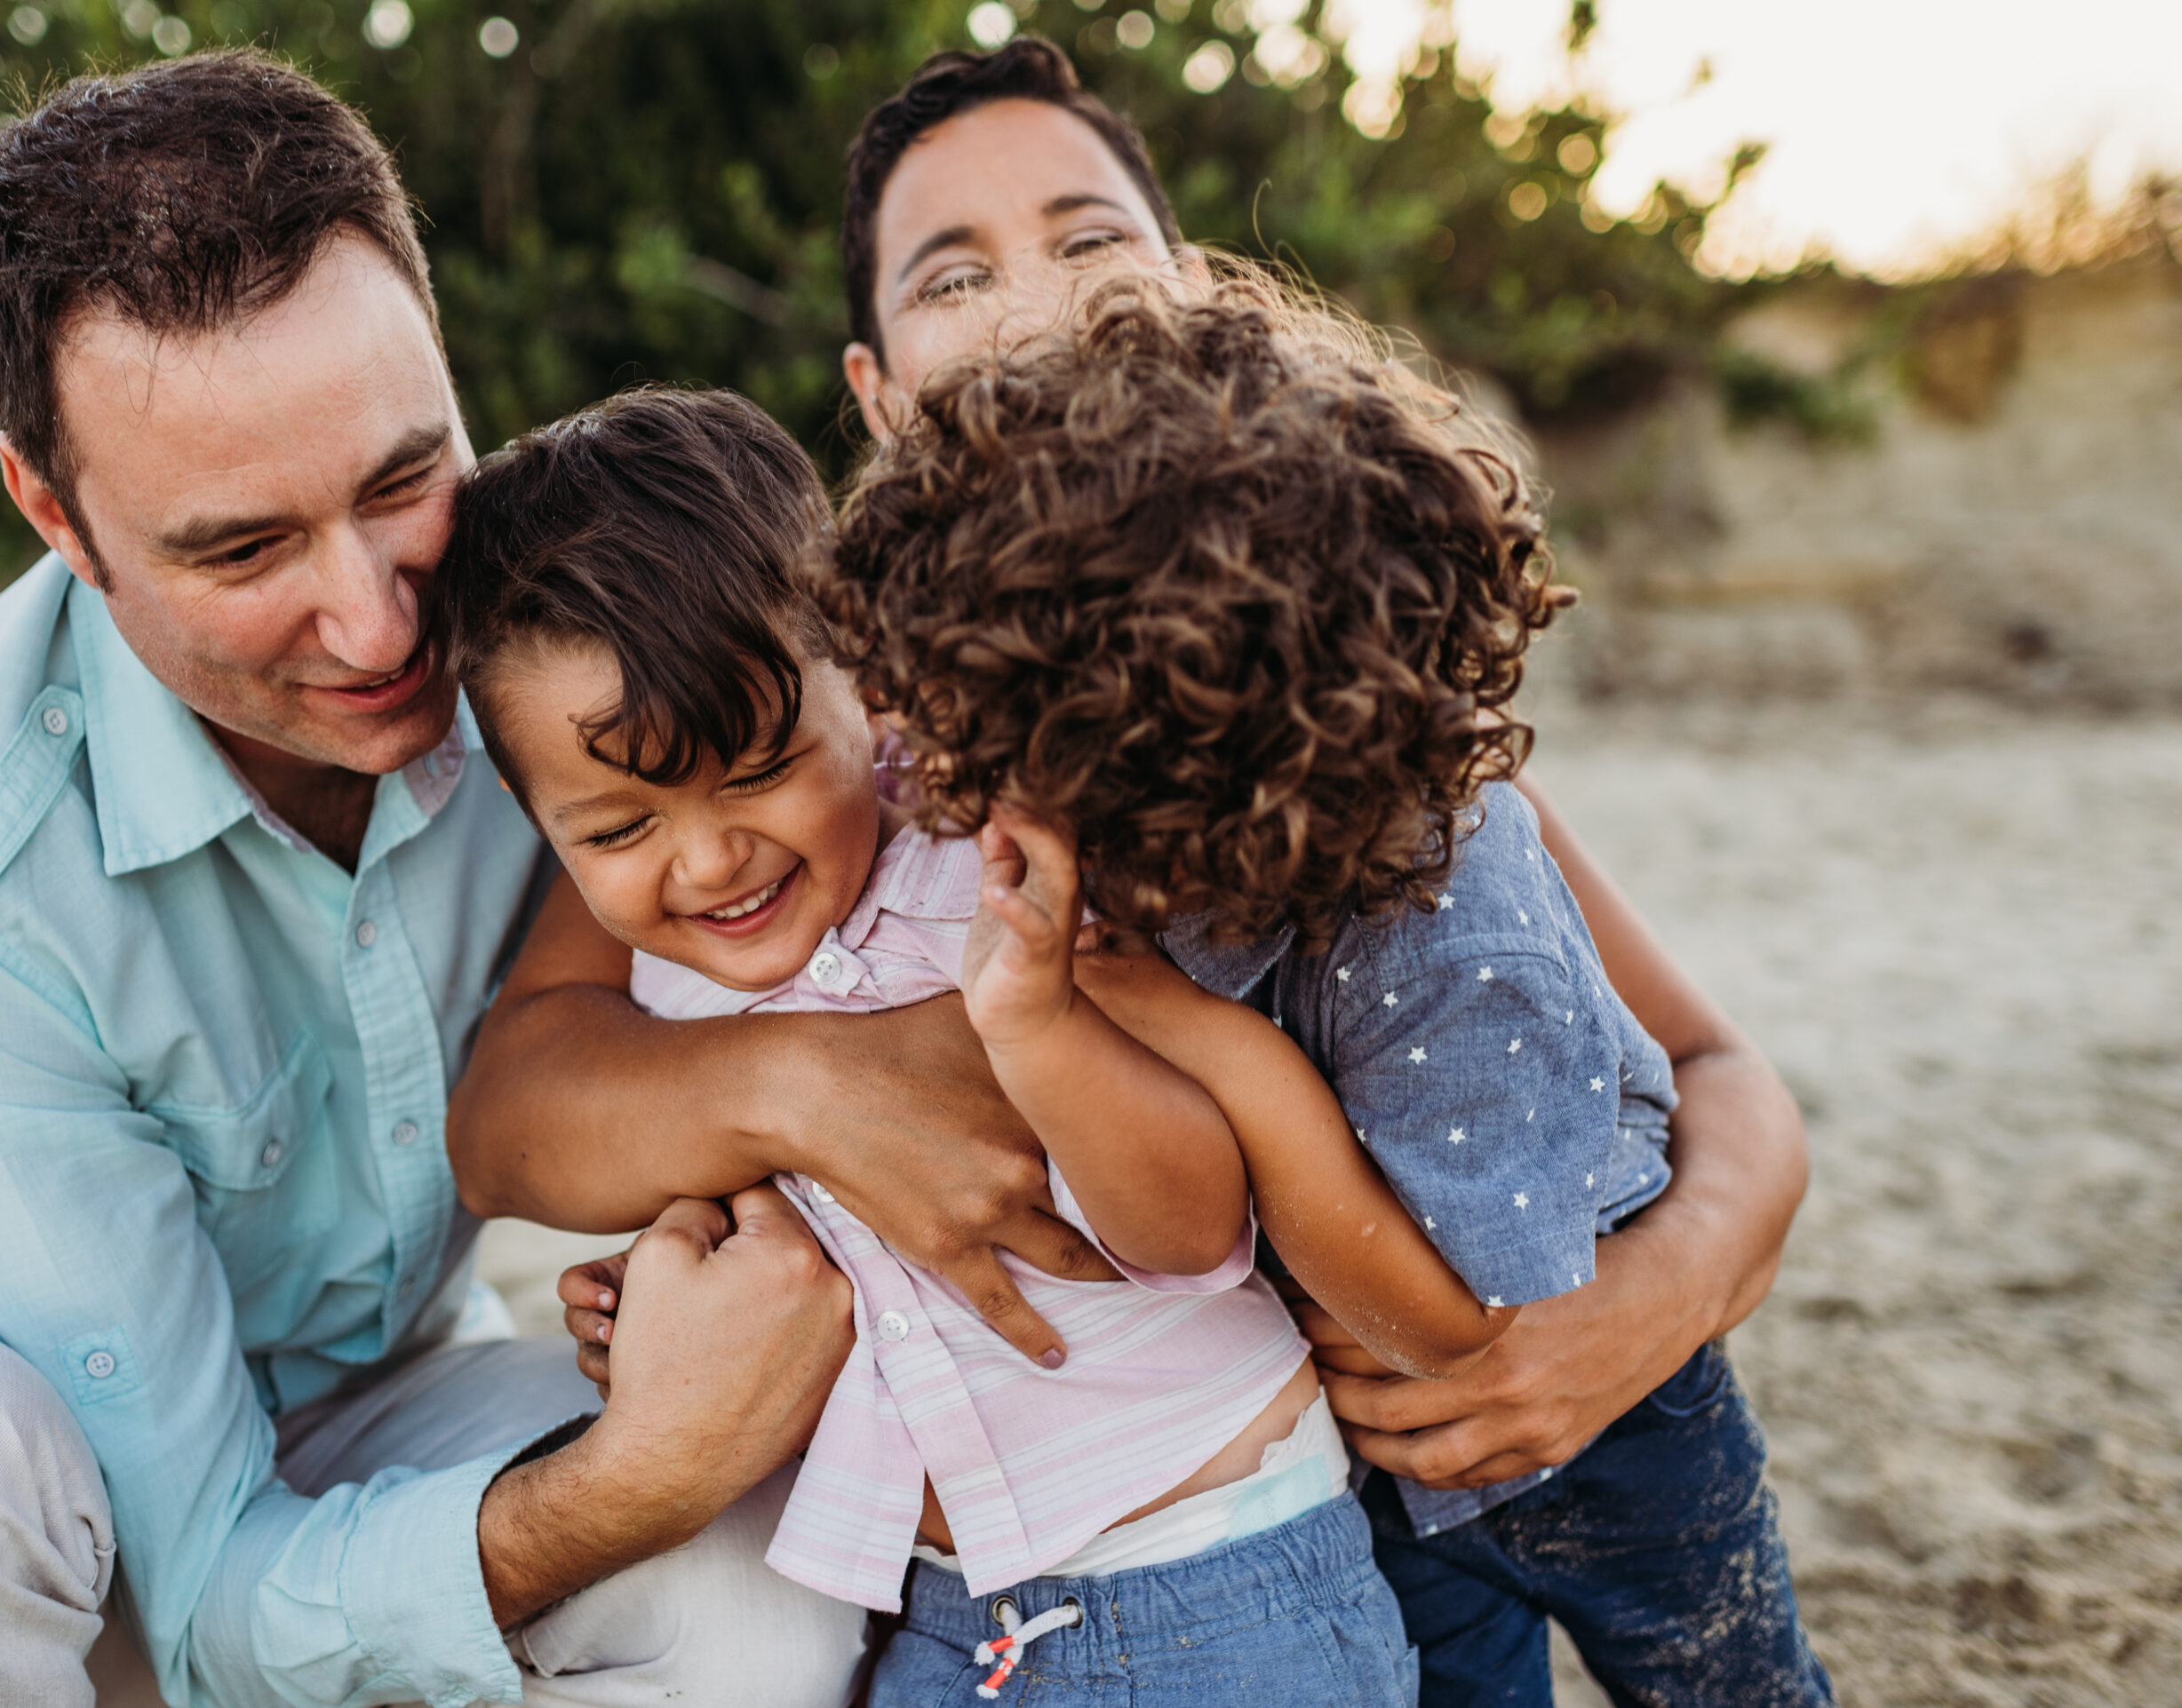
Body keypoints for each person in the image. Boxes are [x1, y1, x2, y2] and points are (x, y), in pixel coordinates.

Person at [549, 35, 1816, 1706]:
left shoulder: (1342, 686)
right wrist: (716, 1228)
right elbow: (587, 1073)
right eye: (955, 273)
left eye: (1089, 241)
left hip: (1551, 1381)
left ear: (1195, 298)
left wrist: (1644, 1308)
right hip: (1305, 1486)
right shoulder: (853, 759)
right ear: (874, 395)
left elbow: (1718, 1071)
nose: (1038, 305)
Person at [0, 52, 872, 1708]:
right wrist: (630, 1478)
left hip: (374, 1403)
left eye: (401, 484)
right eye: (240, 550)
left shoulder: (574, 657)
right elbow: (209, 1581)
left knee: (768, 1585)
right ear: (55, 513)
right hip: (9, 1530)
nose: (382, 631)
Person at [821, 266, 1835, 1707]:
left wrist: (1205, 1042)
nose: (955, 797)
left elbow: (1450, 1331)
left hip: (1603, 1430)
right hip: (1364, 1458)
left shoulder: (1459, 941)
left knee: (1733, 1683)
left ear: (1173, 758)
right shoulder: (1162, 832)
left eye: (998, 757)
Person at [439, 385, 1524, 1703]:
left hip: (1216, 1583)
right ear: (528, 812)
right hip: (955, 1619)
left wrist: (1043, 1030)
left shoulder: (999, 873)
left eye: (761, 767)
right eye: (616, 831)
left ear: (870, 676)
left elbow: (1193, 1228)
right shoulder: (662, 991)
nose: (708, 860)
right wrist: (665, 1301)